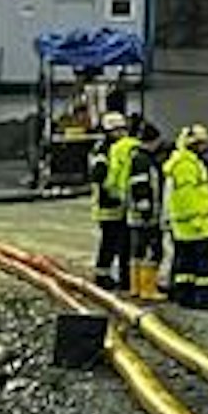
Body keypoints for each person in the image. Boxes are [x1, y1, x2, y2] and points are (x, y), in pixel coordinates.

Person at [163, 125, 208, 309]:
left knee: (185, 263)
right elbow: (187, 196)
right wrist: (196, 219)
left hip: (184, 225)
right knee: (204, 265)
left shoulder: (183, 161)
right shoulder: (186, 165)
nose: (204, 146)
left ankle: (184, 295)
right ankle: (205, 298)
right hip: (195, 224)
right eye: (201, 143)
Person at [89, 111, 133, 290]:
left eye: (123, 129)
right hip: (107, 205)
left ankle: (126, 278)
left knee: (125, 244)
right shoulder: (102, 150)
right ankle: (102, 276)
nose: (122, 134)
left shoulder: (121, 148)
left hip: (122, 204)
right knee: (109, 243)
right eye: (118, 130)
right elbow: (97, 175)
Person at [125, 121, 166, 302]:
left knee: (138, 250)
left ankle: (136, 287)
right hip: (146, 215)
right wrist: (147, 210)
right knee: (152, 251)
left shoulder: (137, 158)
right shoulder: (143, 160)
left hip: (137, 214)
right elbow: (141, 187)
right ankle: (148, 288)